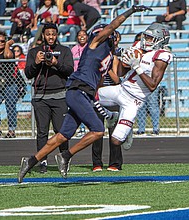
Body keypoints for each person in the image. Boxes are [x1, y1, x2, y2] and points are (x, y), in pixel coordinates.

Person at [18, 5, 152, 183]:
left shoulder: (108, 55)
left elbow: (105, 79)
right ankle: (65, 156)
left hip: (84, 93)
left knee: (63, 136)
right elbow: (112, 26)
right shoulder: (95, 43)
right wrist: (131, 11)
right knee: (98, 130)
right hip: (77, 90)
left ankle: (29, 161)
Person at [96, 22, 173, 154]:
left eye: (150, 38)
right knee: (86, 94)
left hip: (134, 100)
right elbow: (120, 73)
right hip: (121, 89)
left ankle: (127, 130)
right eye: (146, 37)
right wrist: (124, 62)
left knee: (116, 141)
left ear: (160, 40)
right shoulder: (138, 46)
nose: (146, 40)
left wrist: (137, 67)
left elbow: (152, 85)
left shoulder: (162, 56)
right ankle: (110, 116)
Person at [24, 23, 74, 173]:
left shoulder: (64, 51)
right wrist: (36, 63)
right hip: (40, 98)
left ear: (57, 35)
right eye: (48, 34)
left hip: (60, 97)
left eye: (53, 34)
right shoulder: (34, 52)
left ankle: (64, 160)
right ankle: (42, 161)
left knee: (61, 131)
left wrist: (55, 63)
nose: (50, 37)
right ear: (43, 35)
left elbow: (69, 70)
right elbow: (28, 73)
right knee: (42, 131)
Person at [92, 30, 122, 172]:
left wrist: (107, 69)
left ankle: (115, 163)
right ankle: (96, 163)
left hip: (113, 97)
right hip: (98, 96)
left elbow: (117, 80)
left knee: (114, 132)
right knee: (97, 131)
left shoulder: (114, 59)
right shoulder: (95, 57)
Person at [0, 31, 18, 138]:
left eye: (3, 41)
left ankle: (11, 130)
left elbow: (7, 56)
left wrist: (7, 45)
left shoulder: (9, 51)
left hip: (10, 83)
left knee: (10, 106)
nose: (1, 43)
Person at [71, 29, 88, 137]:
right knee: (79, 104)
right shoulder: (74, 49)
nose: (82, 37)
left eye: (84, 35)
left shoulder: (89, 48)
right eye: (79, 35)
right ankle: (81, 129)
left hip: (87, 78)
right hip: (77, 78)